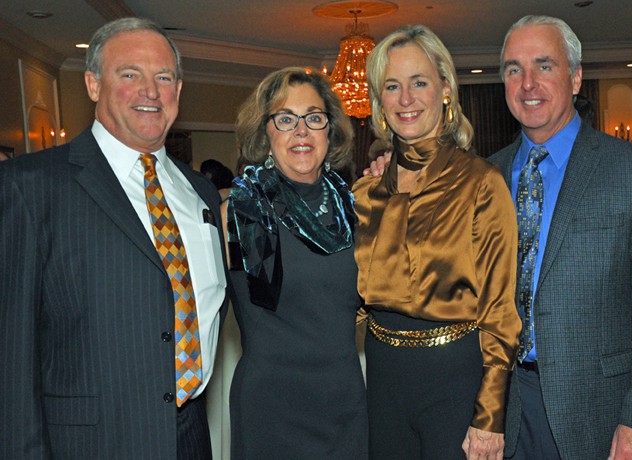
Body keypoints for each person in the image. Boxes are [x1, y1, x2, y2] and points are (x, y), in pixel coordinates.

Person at [0, 17, 230, 459]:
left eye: (164, 77)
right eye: (130, 75)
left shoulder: (199, 191)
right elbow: (10, 359)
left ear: (178, 91)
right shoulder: (29, 187)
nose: (150, 91)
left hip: (189, 437)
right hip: (88, 445)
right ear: (92, 84)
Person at [489, 15, 632, 459]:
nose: (528, 84)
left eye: (544, 65)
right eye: (513, 69)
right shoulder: (485, 176)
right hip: (500, 407)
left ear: (576, 78)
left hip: (600, 407)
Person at [353, 24, 521, 459]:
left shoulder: (482, 183)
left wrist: (490, 414)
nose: (405, 99)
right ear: (379, 100)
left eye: (419, 82)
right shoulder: (363, 194)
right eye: (392, 86)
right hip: (382, 380)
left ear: (445, 88)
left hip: (455, 381)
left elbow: (501, 310)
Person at [226, 67, 367, 459]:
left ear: (330, 131)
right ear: (264, 133)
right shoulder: (234, 213)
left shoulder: (358, 212)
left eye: (314, 118)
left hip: (344, 404)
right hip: (270, 410)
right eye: (285, 119)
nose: (301, 131)